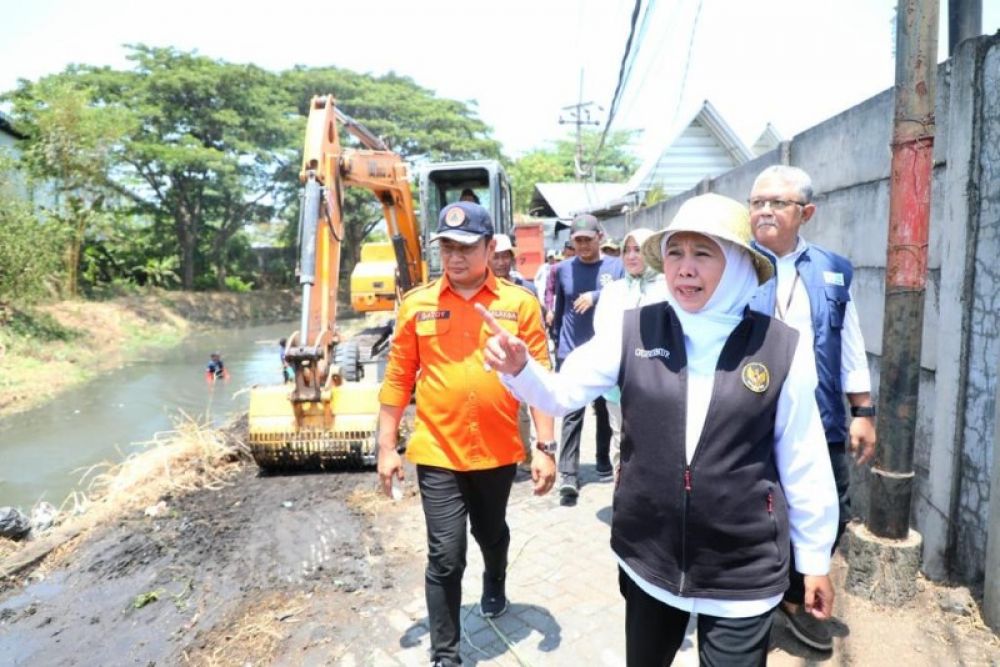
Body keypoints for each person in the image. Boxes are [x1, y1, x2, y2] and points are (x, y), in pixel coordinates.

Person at [479, 193, 838, 666]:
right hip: (649, 557)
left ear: (737, 265)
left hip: (743, 570)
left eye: (703, 253)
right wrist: (521, 370)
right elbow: (561, 393)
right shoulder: (635, 331)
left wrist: (813, 560)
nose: (684, 268)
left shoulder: (778, 348)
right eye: (675, 253)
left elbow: (803, 459)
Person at [376, 201, 556, 667]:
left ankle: (495, 578)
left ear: (490, 247)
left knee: (491, 533)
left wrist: (545, 447)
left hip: (497, 450)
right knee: (445, 555)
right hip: (437, 450)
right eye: (446, 248)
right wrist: (386, 447)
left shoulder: (519, 305)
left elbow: (541, 383)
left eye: (465, 247)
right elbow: (398, 379)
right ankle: (447, 655)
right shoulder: (417, 305)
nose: (454, 257)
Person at [746, 165, 877, 652]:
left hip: (820, 418)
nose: (763, 211)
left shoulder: (833, 269)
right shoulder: (736, 265)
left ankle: (800, 594)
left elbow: (849, 342)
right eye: (757, 201)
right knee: (760, 511)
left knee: (833, 510)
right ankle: (774, 599)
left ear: (806, 212)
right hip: (753, 419)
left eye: (776, 203)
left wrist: (863, 411)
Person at [549, 214, 623, 498]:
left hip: (605, 349)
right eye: (577, 240)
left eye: (587, 240)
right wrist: (557, 344)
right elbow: (560, 308)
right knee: (571, 411)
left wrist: (596, 295)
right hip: (571, 349)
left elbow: (626, 291)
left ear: (600, 237)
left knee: (605, 409)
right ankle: (568, 473)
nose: (582, 245)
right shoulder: (563, 269)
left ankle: (604, 460)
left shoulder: (615, 267)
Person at [591, 228, 668, 476]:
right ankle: (624, 501)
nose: (632, 256)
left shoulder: (668, 288)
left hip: (659, 383)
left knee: (657, 445)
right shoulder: (612, 291)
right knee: (621, 443)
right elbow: (602, 332)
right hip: (619, 384)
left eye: (640, 249)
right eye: (628, 250)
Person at [489, 233, 540, 467]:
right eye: (495, 257)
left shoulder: (526, 290)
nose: (500, 262)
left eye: (504, 257)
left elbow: (536, 329)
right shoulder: (480, 291)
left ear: (512, 259)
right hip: (489, 364)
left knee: (520, 415)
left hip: (519, 365)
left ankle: (525, 455)